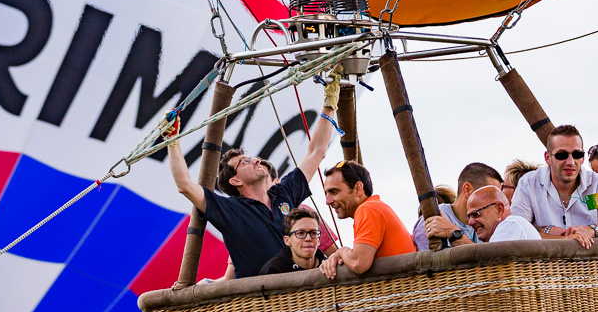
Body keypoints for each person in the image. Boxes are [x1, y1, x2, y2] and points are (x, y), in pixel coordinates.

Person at [167, 73, 342, 279]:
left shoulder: (283, 194)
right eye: (245, 162)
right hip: (261, 301)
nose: (257, 160)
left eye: (253, 158)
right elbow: (185, 186)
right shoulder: (230, 210)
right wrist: (172, 141)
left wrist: (329, 103)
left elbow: (316, 152)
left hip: (301, 294)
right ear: (235, 180)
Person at [511, 123, 598, 248]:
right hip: (543, 266)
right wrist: (563, 239)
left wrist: (592, 230)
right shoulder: (528, 184)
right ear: (548, 158)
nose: (570, 162)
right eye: (562, 155)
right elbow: (517, 231)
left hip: (590, 265)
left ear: (583, 158)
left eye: (577, 155)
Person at [319, 161, 415, 278]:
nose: (327, 201)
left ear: (358, 189)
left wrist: (341, 251)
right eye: (326, 194)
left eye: (334, 192)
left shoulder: (368, 209)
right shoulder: (375, 207)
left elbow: (358, 263)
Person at [413, 162, 503, 250]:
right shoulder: (433, 219)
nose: (496, 202)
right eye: (489, 194)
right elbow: (427, 263)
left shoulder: (484, 228)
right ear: (467, 190)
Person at [259, 207, 325, 274]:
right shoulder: (272, 270)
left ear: (319, 239)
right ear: (287, 240)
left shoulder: (330, 266)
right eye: (300, 233)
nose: (308, 238)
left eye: (313, 233)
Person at [466, 186, 541, 242]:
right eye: (468, 217)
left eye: (475, 214)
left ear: (499, 209)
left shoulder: (511, 224)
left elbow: (492, 261)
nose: (470, 222)